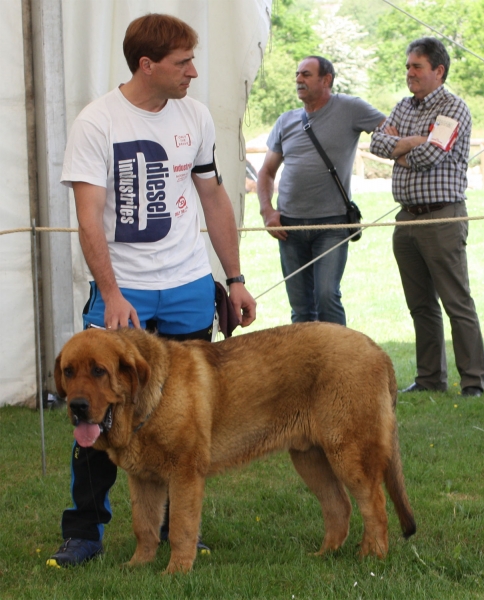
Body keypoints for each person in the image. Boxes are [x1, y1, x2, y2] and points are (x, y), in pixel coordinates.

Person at [46, 13, 256, 568]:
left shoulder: (197, 116)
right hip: (124, 292)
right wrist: (111, 293)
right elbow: (88, 217)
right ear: (148, 65)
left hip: (187, 284)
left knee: (184, 422)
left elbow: (213, 198)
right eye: (182, 62)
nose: (192, 71)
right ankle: (84, 532)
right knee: (94, 409)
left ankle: (175, 533)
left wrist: (233, 278)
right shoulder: (97, 122)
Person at [370, 37, 484, 396]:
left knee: (456, 301)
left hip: (441, 219)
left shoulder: (454, 108)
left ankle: (473, 381)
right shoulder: (403, 106)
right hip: (406, 221)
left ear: (439, 70)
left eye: (416, 67)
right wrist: (412, 142)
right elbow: (375, 143)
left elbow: (431, 155)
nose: (410, 73)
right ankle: (429, 379)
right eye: (408, 66)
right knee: (420, 305)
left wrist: (399, 147)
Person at [257, 56, 385, 325]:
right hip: (290, 228)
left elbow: (389, 129)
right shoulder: (286, 121)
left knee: (327, 296)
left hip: (332, 224)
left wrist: (416, 145)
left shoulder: (351, 108)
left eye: (306, 74)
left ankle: (341, 362)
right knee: (301, 308)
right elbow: (266, 172)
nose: (298, 80)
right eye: (297, 74)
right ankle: (306, 366)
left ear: (326, 80)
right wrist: (268, 211)